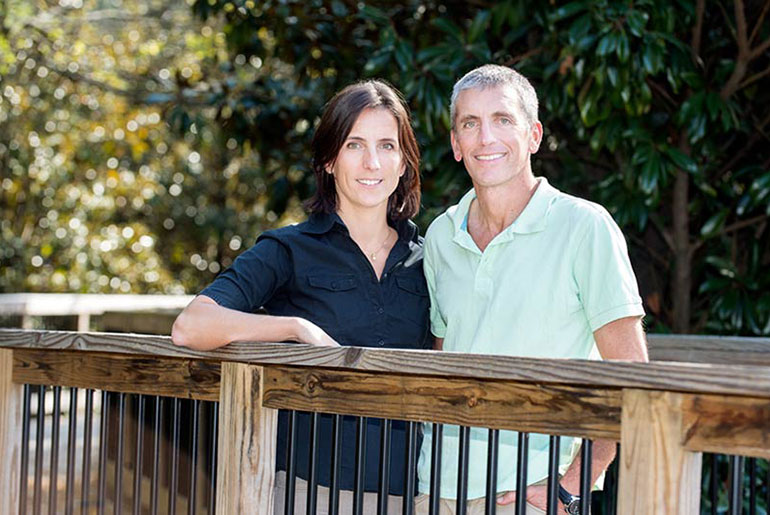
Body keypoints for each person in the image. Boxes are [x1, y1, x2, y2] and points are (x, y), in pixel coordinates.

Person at [172, 80, 431, 514]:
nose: (372, 162)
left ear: (403, 162)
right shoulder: (289, 249)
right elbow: (190, 326)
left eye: (387, 146)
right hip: (311, 491)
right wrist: (294, 328)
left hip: (414, 492)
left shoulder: (430, 257)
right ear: (329, 160)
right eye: (354, 145)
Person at [414, 64, 648, 515]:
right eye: (470, 124)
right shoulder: (441, 235)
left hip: (531, 494)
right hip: (436, 488)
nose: (486, 138)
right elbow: (443, 359)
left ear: (534, 136)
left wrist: (571, 487)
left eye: (502, 120)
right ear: (456, 145)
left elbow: (633, 379)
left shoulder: (585, 226)